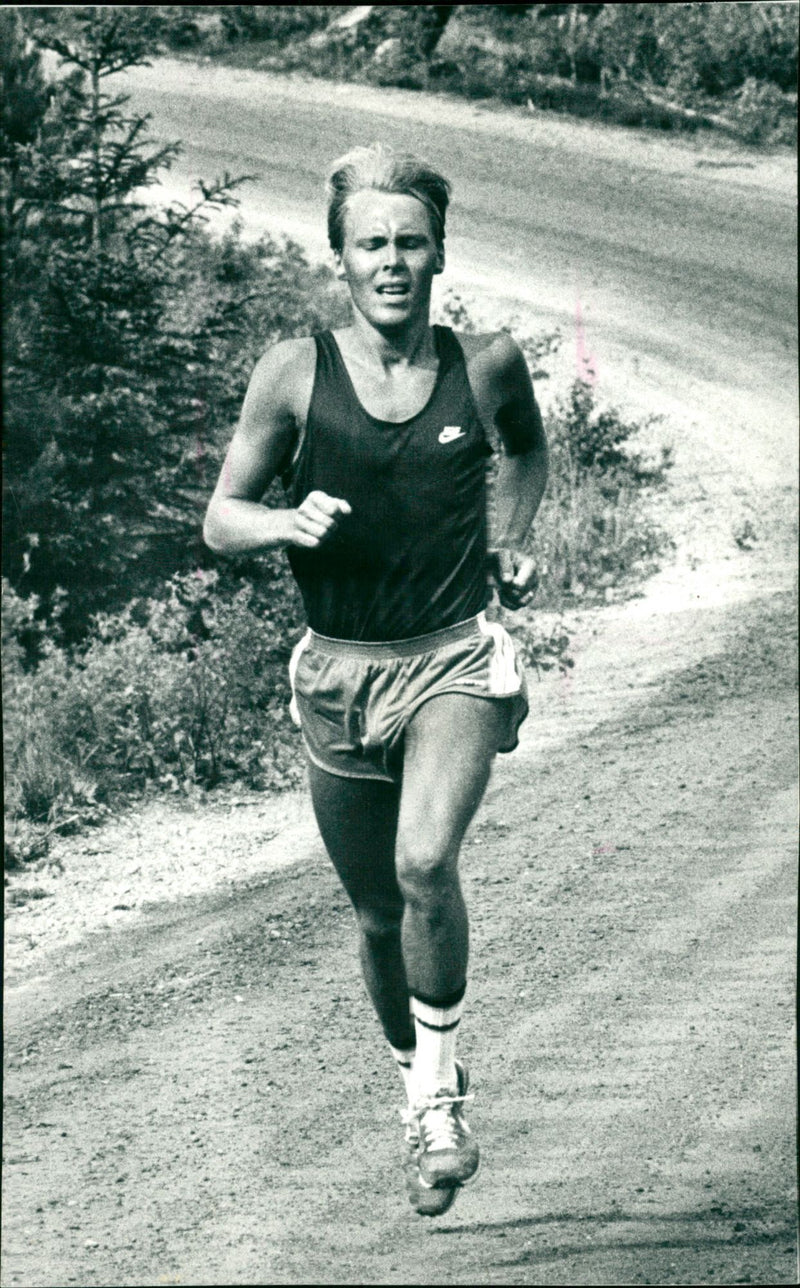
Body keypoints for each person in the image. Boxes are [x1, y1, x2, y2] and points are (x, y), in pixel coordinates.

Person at [203, 142, 548, 1217]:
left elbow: (526, 453)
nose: (391, 261)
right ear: (339, 258)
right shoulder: (291, 372)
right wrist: (280, 521)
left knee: (422, 861)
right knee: (370, 917)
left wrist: (511, 539)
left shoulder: (482, 362)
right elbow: (220, 518)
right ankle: (421, 1088)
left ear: (438, 252)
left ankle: (438, 1105)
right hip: (336, 675)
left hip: (449, 657)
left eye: (408, 242)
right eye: (370, 245)